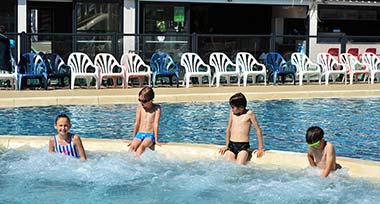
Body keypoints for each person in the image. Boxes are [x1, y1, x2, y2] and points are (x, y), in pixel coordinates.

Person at [219, 92, 264, 165]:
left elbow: (258, 130)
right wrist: (227, 146)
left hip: (243, 146)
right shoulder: (232, 113)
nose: (232, 109)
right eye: (231, 107)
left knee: (239, 166)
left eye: (233, 107)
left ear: (241, 107)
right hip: (232, 145)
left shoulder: (249, 114)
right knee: (228, 165)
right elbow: (228, 129)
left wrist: (260, 148)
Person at [127, 87, 162, 156]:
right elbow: (137, 123)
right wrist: (133, 138)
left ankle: (137, 164)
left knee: (141, 148)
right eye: (140, 100)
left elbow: (156, 124)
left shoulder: (157, 108)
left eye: (144, 101)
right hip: (139, 134)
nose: (141, 103)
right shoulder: (140, 107)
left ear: (151, 100)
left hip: (149, 135)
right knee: (132, 148)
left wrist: (156, 140)